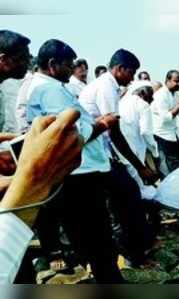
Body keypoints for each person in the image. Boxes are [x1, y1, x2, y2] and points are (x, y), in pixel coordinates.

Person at [27, 39, 124, 283]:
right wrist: (102, 124)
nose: (72, 70)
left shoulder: (46, 87)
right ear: (52, 65)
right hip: (80, 174)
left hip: (74, 173)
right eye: (69, 65)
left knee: (85, 234)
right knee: (98, 236)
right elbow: (72, 134)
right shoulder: (50, 90)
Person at [0, 30, 83, 284]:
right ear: (3, 59)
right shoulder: (36, 86)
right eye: (23, 57)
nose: (29, 62)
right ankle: (48, 255)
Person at [79, 49, 158, 266]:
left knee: (126, 198)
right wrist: (140, 166)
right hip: (93, 158)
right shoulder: (106, 87)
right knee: (129, 198)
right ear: (120, 69)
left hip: (100, 155)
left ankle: (135, 248)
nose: (132, 78)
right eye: (131, 72)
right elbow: (114, 132)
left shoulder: (107, 85)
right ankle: (135, 254)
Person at [119, 81, 158, 200]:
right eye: (150, 95)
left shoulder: (121, 102)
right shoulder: (143, 104)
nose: (152, 99)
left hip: (121, 149)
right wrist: (155, 151)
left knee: (132, 185)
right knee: (139, 187)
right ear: (142, 93)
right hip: (135, 150)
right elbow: (146, 132)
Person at [151, 70, 179, 176]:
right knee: (170, 168)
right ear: (167, 80)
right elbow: (166, 118)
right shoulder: (160, 95)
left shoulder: (176, 93)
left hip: (175, 134)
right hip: (163, 135)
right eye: (176, 81)